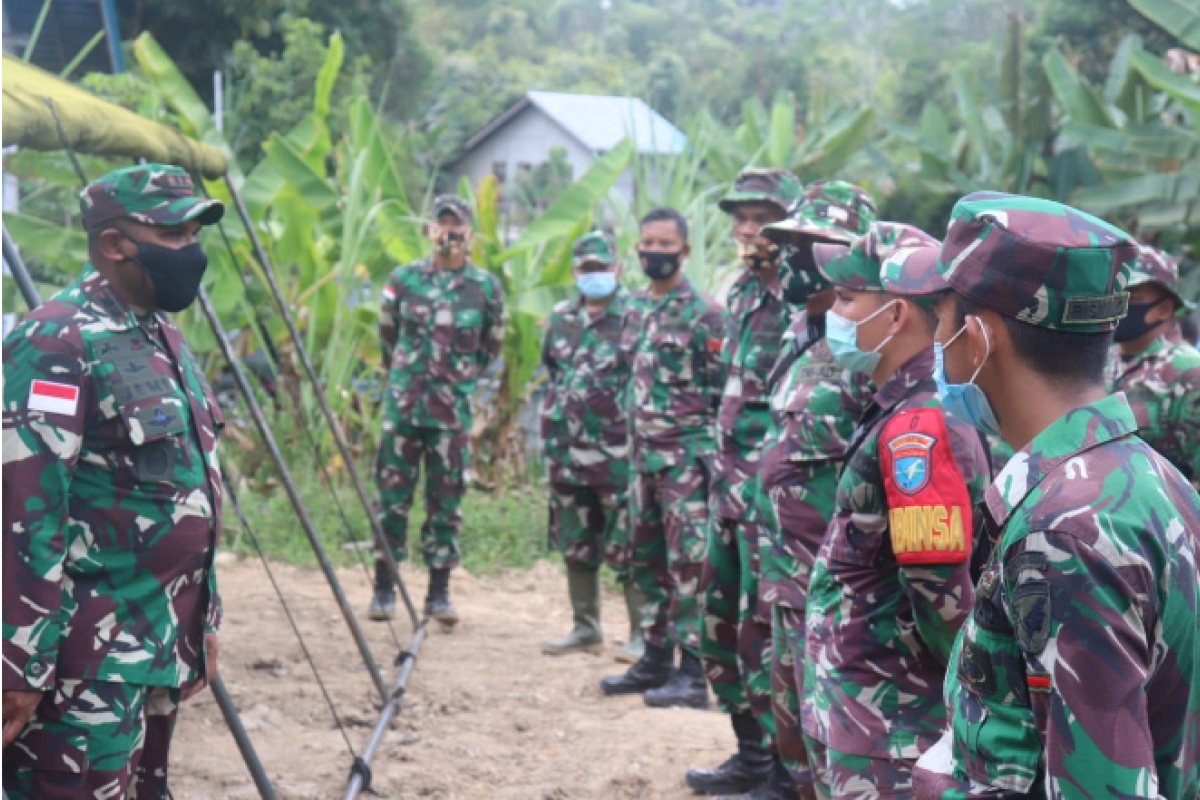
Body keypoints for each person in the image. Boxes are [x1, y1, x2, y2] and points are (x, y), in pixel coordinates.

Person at [914, 192, 1200, 800]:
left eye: (938, 320)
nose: (933, 345)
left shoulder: (1063, 533)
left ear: (978, 336)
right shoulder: (1149, 477)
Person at [2, 164, 226, 798]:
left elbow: (192, 487)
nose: (192, 251)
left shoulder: (163, 336)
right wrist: (18, 661)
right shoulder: (56, 340)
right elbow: (24, 507)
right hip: (81, 659)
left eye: (193, 235)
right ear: (113, 245)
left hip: (155, 644)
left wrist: (204, 617)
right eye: (175, 234)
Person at [802, 222, 992, 799]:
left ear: (895, 317)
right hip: (866, 707)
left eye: (845, 299)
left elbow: (938, 590)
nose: (832, 313)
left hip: (894, 721)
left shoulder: (920, 425)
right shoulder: (894, 407)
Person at [714, 180, 877, 800]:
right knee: (791, 720)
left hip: (837, 586)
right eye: (794, 243)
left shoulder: (872, 346)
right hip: (782, 562)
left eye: (816, 244)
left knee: (834, 732)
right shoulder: (801, 329)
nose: (798, 257)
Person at [695, 168, 802, 796]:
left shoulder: (807, 301)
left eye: (758, 217)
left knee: (773, 640)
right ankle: (749, 756)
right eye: (738, 218)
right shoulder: (739, 294)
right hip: (727, 490)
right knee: (718, 629)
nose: (744, 229)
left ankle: (786, 774)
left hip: (776, 502)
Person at [600, 207, 729, 707]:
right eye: (647, 242)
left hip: (687, 466)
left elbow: (724, 394)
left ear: (685, 251)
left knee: (690, 569)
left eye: (664, 244)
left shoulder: (705, 314)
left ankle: (693, 674)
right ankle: (653, 658)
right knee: (646, 562)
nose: (654, 251)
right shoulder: (633, 308)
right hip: (642, 463)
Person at [373, 194, 506, 625]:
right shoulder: (404, 279)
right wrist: (409, 377)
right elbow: (388, 335)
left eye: (457, 226)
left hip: (451, 416)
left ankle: (439, 594)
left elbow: (491, 346)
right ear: (430, 230)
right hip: (404, 410)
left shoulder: (485, 288)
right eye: (442, 224)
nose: (449, 233)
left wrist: (457, 382)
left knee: (446, 504)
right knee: (392, 501)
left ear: (470, 233)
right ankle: (384, 589)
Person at [540, 231, 642, 661]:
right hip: (566, 451)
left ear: (617, 269)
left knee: (629, 543)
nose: (595, 275)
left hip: (616, 453)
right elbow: (553, 370)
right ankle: (585, 627)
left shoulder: (634, 316)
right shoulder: (560, 317)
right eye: (587, 269)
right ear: (574, 272)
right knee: (575, 540)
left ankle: (641, 635)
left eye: (602, 267)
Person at [1106, 244, 1200, 484]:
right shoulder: (1104, 361)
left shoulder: (1187, 371)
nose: (1118, 305)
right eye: (1115, 294)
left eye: (1131, 297)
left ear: (1165, 309)